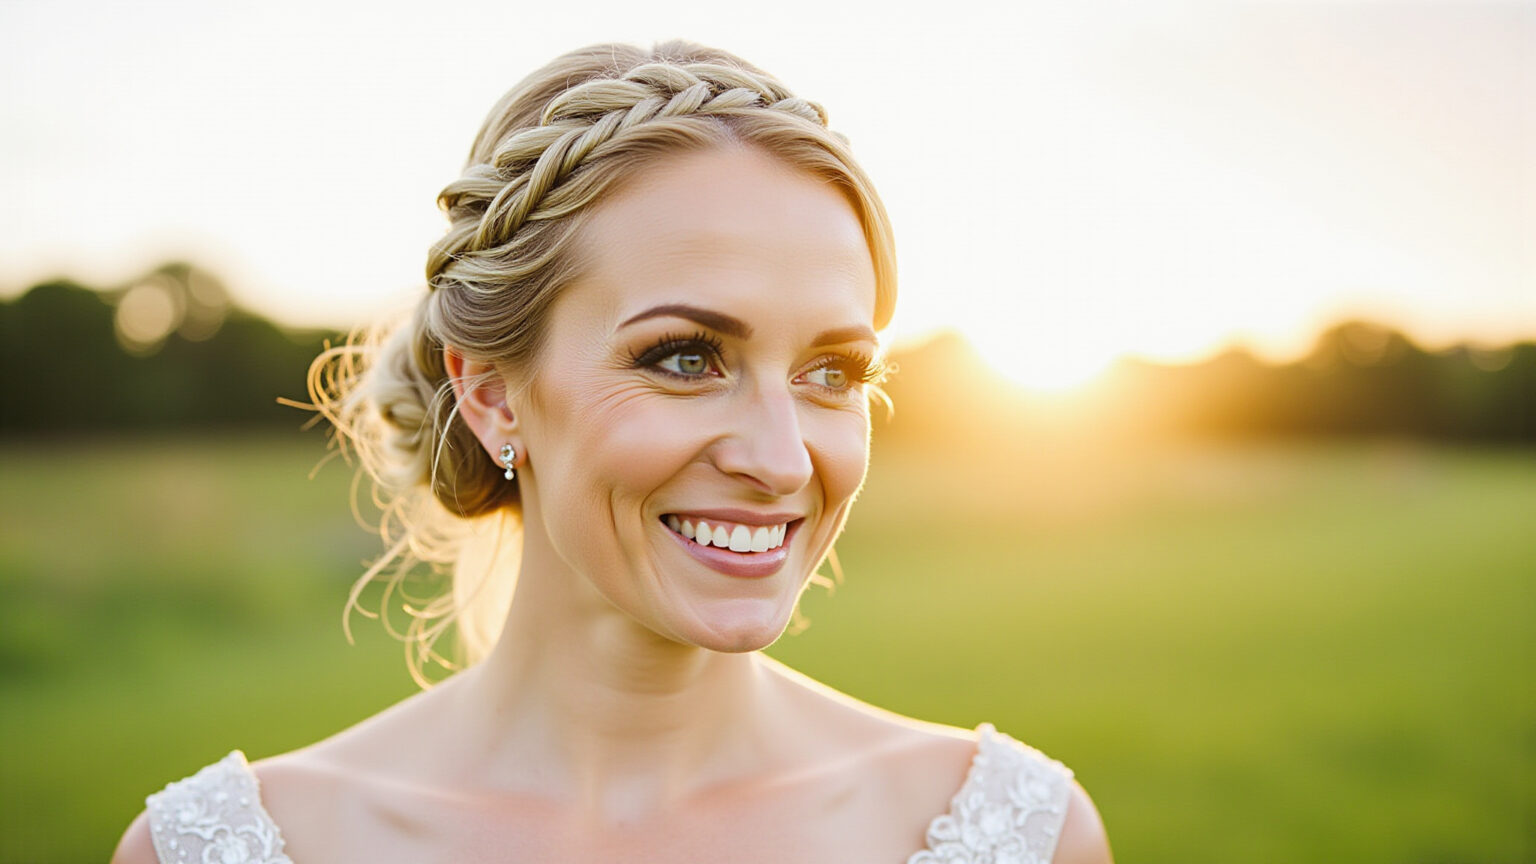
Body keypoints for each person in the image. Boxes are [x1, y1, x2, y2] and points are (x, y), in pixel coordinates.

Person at [113, 41, 1113, 864]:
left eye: (832, 373)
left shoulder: (1019, 833)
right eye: (685, 357)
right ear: (492, 393)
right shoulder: (226, 848)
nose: (780, 459)